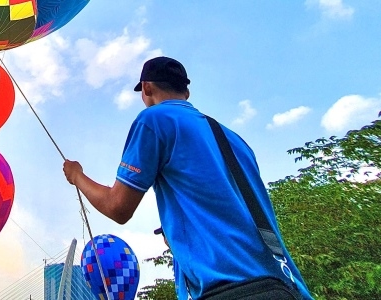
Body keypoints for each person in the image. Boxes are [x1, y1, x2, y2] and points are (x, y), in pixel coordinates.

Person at [62, 56, 313, 299]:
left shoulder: (155, 119)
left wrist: (77, 175)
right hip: (283, 285)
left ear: (146, 88)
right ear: (187, 93)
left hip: (227, 288)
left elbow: (118, 207)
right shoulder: (235, 140)